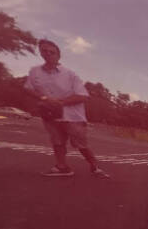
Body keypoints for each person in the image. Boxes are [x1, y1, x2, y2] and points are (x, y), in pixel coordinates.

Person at [24, 39, 109, 178]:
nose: (48, 54)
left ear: (58, 55)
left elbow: (83, 96)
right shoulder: (35, 72)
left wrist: (59, 102)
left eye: (52, 52)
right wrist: (44, 99)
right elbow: (28, 89)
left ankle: (95, 167)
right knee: (57, 142)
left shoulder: (70, 74)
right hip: (50, 114)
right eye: (44, 51)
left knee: (80, 144)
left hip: (72, 116)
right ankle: (62, 167)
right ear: (40, 53)